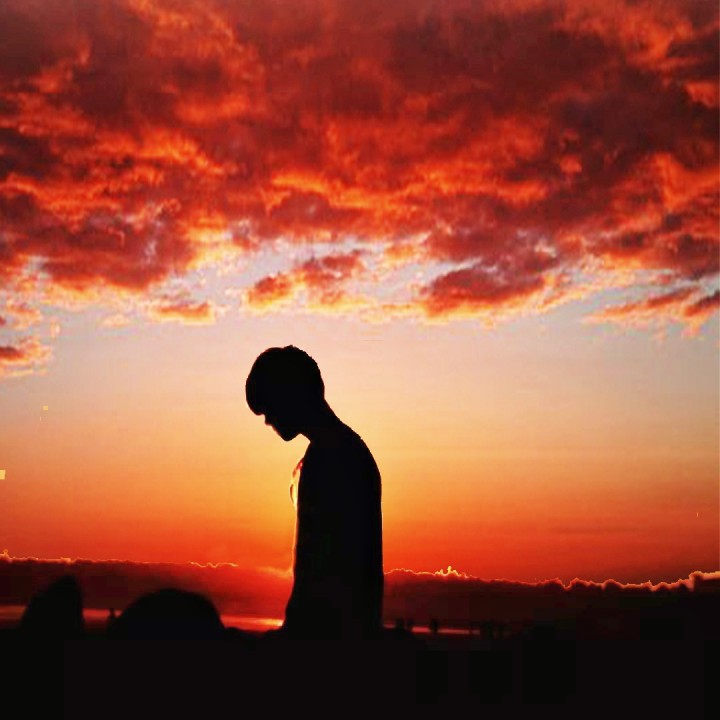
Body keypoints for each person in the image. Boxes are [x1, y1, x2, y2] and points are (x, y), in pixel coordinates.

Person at [246, 346, 383, 640]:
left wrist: (295, 636)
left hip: (329, 639)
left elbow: (318, 567)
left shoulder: (331, 456)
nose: (267, 420)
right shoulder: (343, 450)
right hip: (345, 634)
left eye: (268, 407)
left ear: (290, 395)